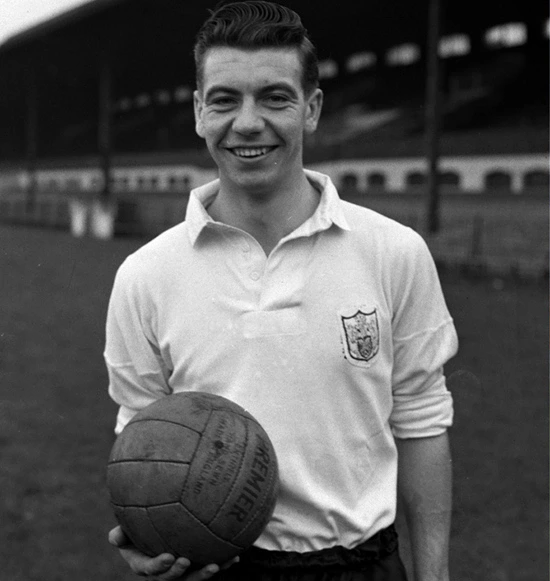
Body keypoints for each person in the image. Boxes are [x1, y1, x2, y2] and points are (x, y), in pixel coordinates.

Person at [103, 3, 457, 580]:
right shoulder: (144, 274)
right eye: (224, 99)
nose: (247, 122)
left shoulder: (395, 252)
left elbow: (421, 419)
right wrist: (146, 533)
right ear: (198, 112)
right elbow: (142, 437)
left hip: (363, 566)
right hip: (218, 568)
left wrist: (435, 575)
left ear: (310, 109)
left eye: (274, 97)